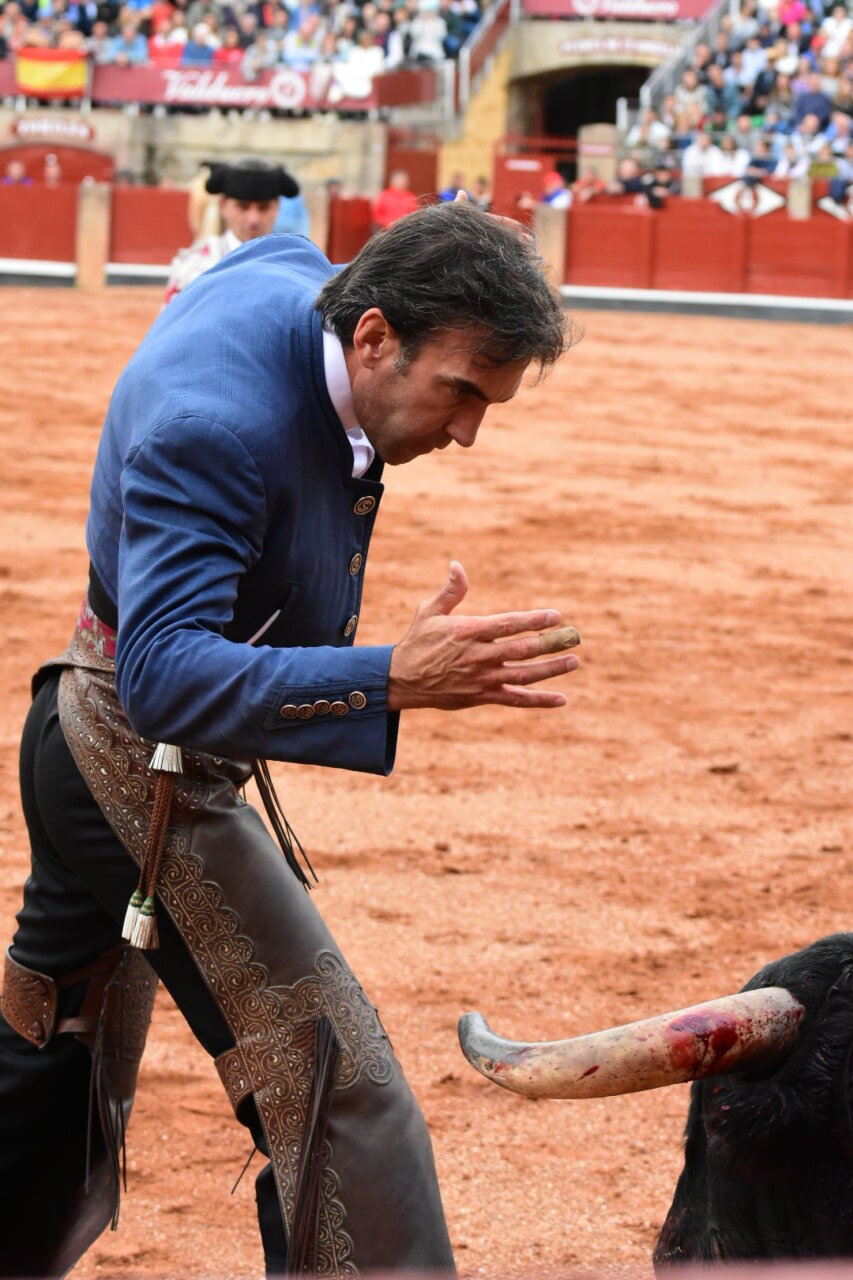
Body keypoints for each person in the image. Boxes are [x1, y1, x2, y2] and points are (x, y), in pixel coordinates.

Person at [0, 200, 575, 1277]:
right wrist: (389, 677)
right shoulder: (213, 426)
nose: (466, 432)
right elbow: (163, 679)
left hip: (88, 728)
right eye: (460, 390)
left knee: (55, 1039)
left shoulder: (294, 280)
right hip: (129, 757)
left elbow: (268, 251)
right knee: (337, 1089)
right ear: (373, 336)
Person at [164, 158, 300, 303]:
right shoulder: (194, 266)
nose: (253, 219)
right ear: (223, 205)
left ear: (278, 206)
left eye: (264, 207)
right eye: (243, 207)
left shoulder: (294, 266)